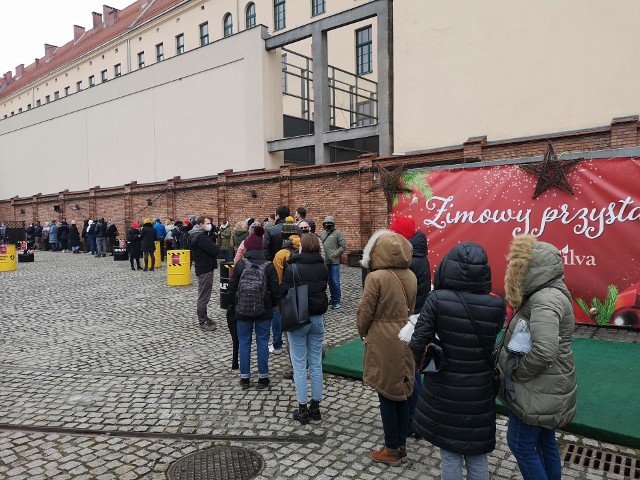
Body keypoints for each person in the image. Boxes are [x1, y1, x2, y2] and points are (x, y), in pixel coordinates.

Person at [410, 242, 505, 480]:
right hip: (480, 387)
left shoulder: (437, 300)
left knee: (450, 450)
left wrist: (423, 364)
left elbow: (418, 340)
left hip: (444, 384)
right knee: (477, 451)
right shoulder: (497, 304)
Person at [498, 235, 577, 480]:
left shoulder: (545, 299)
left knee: (520, 444)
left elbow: (544, 350)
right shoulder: (545, 293)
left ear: (532, 268)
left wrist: (518, 375)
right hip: (546, 386)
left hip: (537, 389)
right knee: (545, 442)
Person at [357, 229, 417, 466]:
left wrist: (362, 331)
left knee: (386, 394)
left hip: (384, 338)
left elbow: (365, 311)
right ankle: (400, 443)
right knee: (400, 393)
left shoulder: (376, 277)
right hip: (405, 334)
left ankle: (392, 448)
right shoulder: (411, 275)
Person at [389, 215, 432, 435]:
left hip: (411, 319)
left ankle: (415, 419)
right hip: (417, 317)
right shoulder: (418, 253)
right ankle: (419, 416)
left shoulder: (410, 258)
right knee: (414, 369)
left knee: (411, 371)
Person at [280, 233, 329, 424]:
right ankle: (315, 407)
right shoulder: (323, 267)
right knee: (316, 363)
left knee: (299, 365)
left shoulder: (293, 267)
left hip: (299, 318)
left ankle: (302, 408)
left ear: (301, 247)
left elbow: (283, 291)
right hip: (317, 318)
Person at [227, 225, 279, 389]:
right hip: (263, 310)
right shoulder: (269, 266)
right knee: (262, 342)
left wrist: (235, 303)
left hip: (242, 310)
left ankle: (245, 378)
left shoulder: (241, 265)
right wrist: (271, 305)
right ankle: (263, 378)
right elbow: (276, 292)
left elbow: (231, 289)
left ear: (248, 247)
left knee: (244, 343)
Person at [271, 217, 299, 357]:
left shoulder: (281, 254)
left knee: (277, 315)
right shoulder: (305, 248)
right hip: (302, 291)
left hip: (284, 292)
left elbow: (277, 277)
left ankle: (277, 345)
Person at [189, 216, 220, 330]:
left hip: (203, 266)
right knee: (204, 296)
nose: (210, 225)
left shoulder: (196, 234)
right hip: (205, 268)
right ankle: (202, 321)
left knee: (204, 294)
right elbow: (215, 250)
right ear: (201, 224)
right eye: (208, 223)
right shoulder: (201, 237)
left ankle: (205, 318)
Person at [321, 215, 346, 309]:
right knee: (329, 281)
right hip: (325, 261)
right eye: (326, 223)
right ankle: (332, 298)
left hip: (334, 261)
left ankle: (337, 300)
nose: (328, 225)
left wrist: (335, 254)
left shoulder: (337, 233)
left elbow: (343, 246)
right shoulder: (323, 233)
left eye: (330, 223)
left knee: (335, 281)